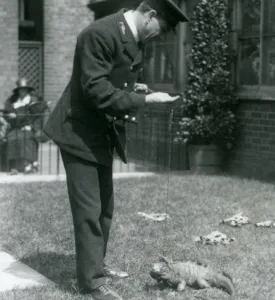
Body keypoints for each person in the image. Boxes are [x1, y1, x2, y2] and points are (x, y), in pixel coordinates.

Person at [43, 1, 189, 299]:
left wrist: (137, 90)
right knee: (89, 211)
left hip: (100, 134)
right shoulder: (98, 33)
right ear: (149, 15)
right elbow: (95, 89)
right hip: (78, 132)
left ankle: (96, 265)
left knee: (105, 210)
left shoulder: (132, 39)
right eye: (160, 31)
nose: (159, 38)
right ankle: (91, 284)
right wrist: (145, 102)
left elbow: (115, 80)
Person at [4, 78, 48, 174]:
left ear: (28, 90)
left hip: (29, 127)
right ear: (18, 90)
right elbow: (7, 113)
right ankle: (14, 167)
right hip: (16, 127)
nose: (22, 91)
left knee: (26, 137)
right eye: (20, 89)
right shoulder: (13, 101)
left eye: (24, 89)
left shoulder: (33, 100)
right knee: (11, 137)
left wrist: (31, 126)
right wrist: (10, 116)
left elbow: (37, 117)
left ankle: (28, 164)